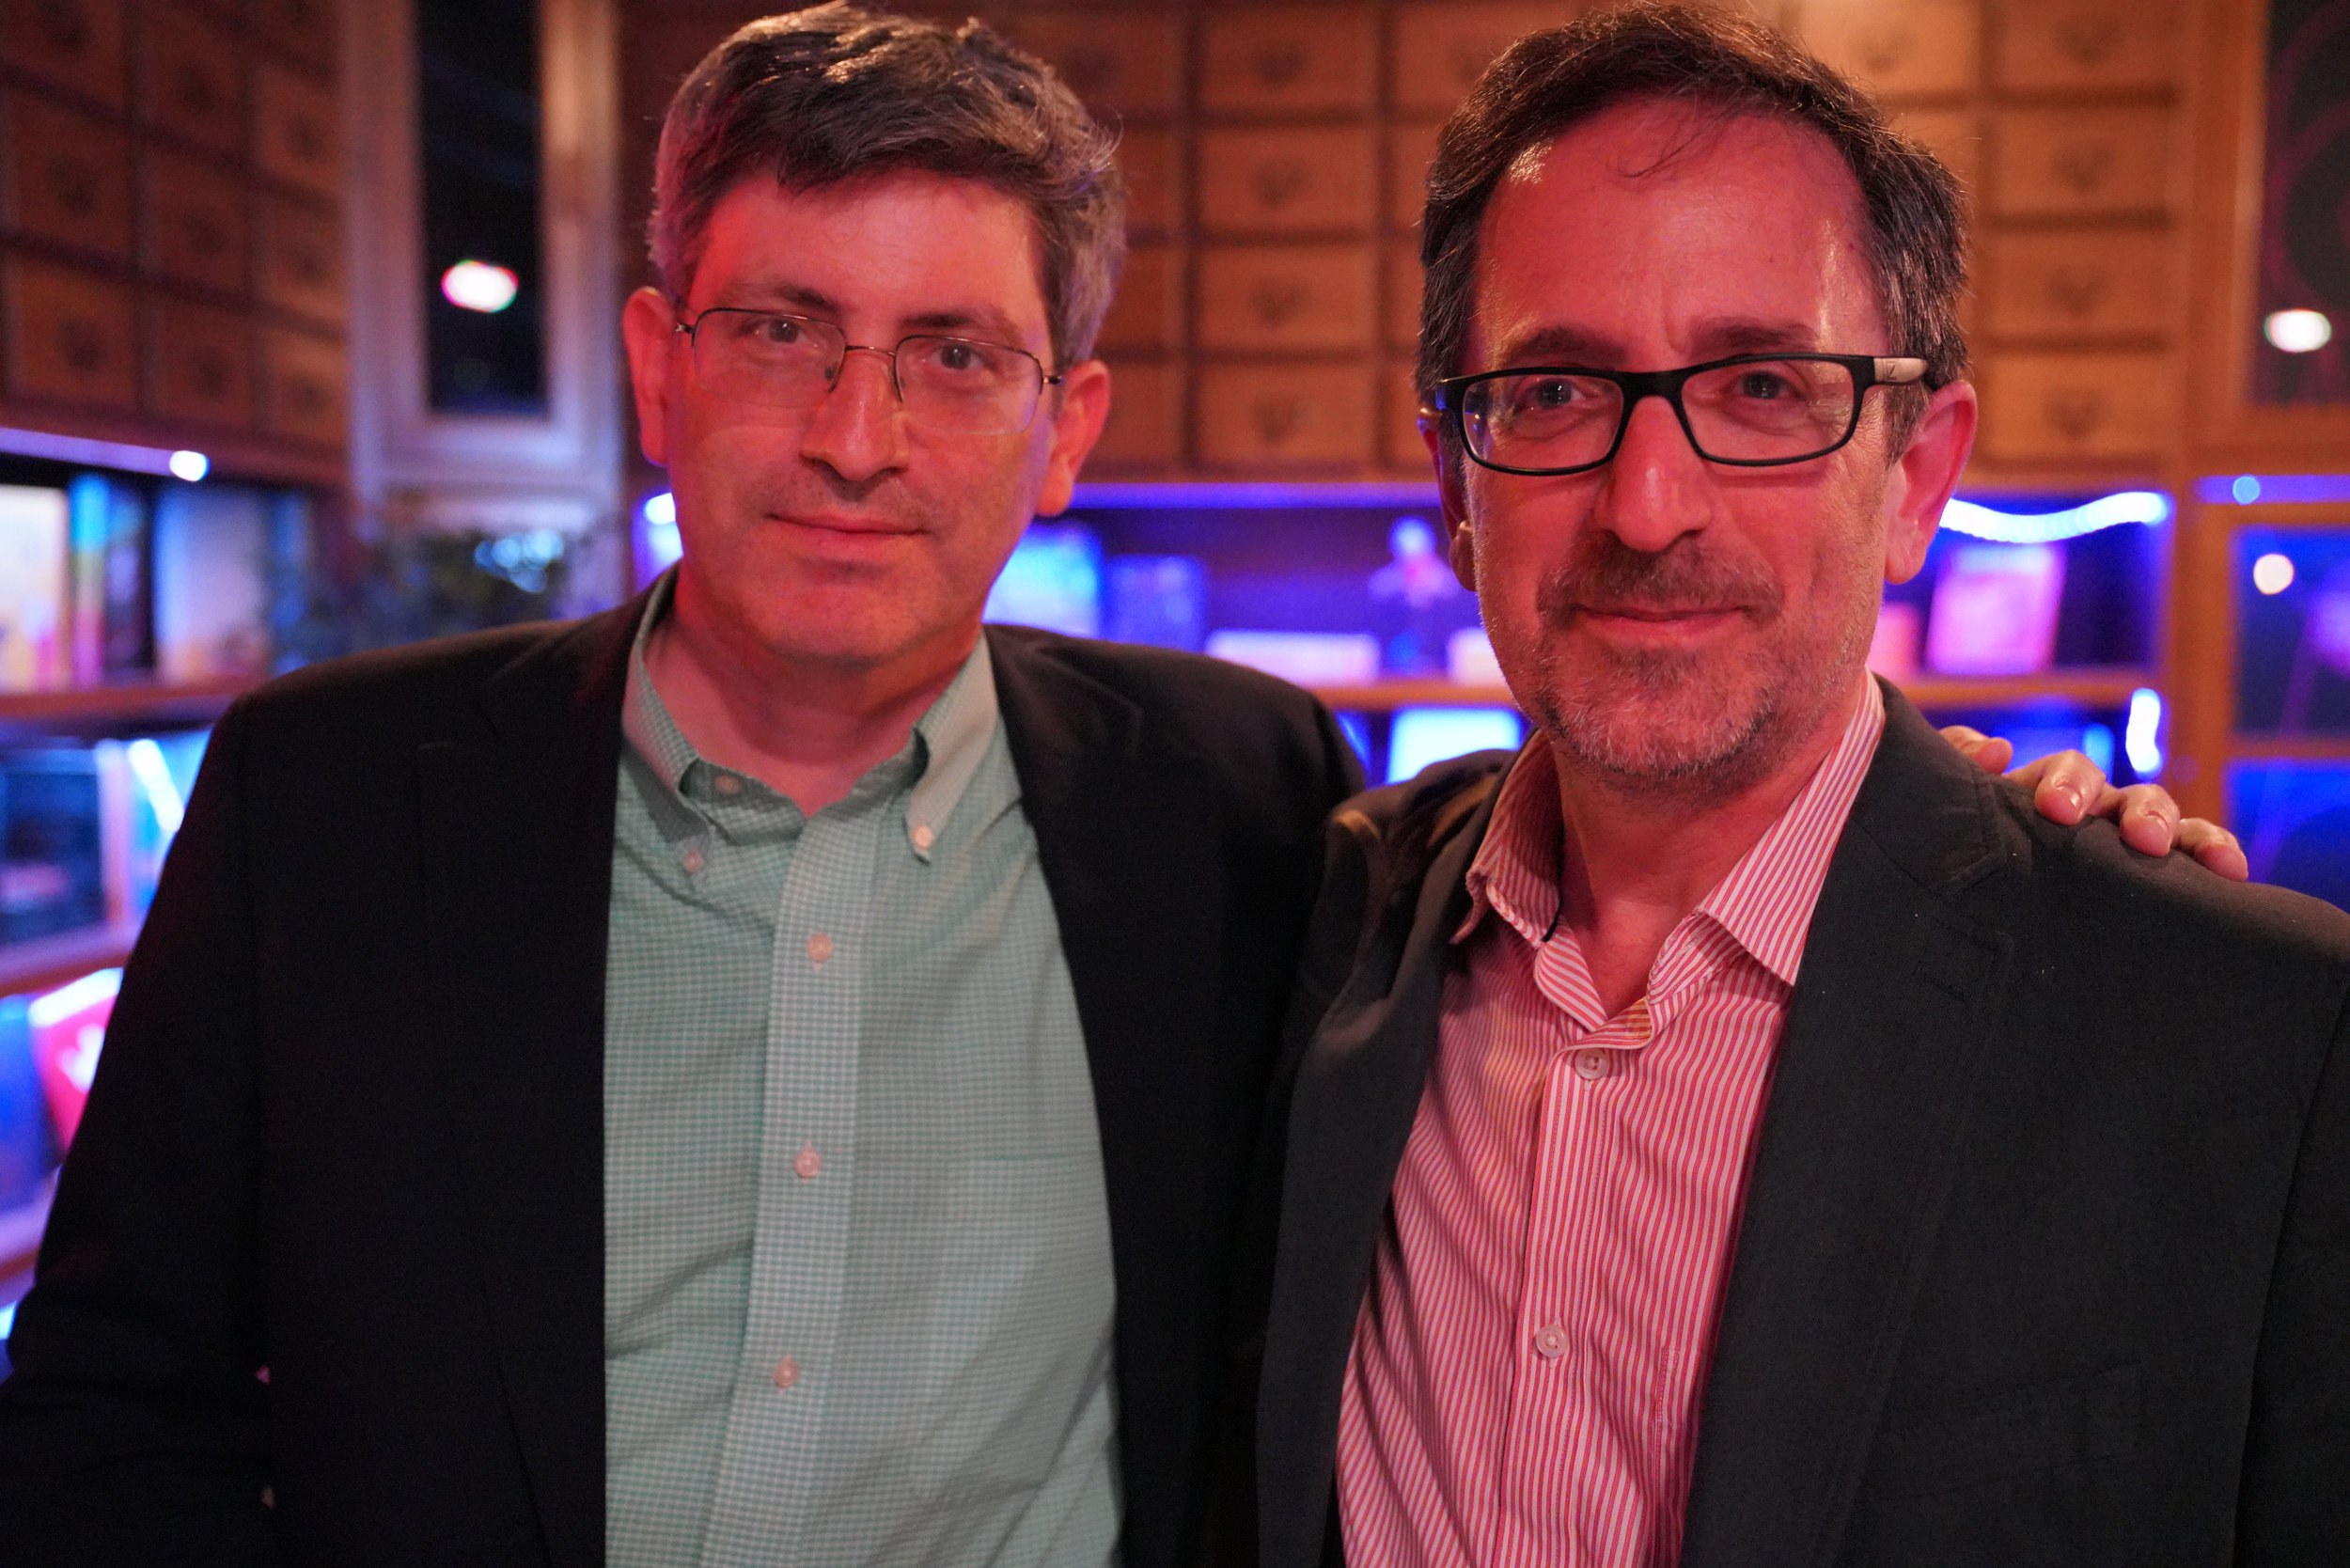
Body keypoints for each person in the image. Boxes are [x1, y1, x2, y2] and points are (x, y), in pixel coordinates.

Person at [0, 7, 2226, 1567]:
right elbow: (108, 1410)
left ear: (1061, 429)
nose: (859, 433)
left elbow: (1694, 804)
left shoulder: (1231, 804)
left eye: (953, 354)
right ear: (660, 365)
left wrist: (2009, 854)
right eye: (780, 329)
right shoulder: (325, 798)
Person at [1248, 8, 2346, 1567]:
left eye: (1763, 386)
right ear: (1454, 485)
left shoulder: (2253, 1038)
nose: (1647, 505)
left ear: (1915, 473)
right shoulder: (1335, 911)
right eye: (1555, 392)